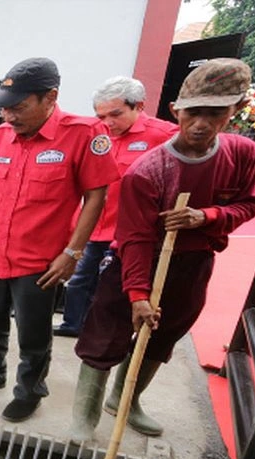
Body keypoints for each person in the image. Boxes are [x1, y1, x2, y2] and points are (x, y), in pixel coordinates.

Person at [71, 58, 255, 440]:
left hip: (193, 260)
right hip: (137, 257)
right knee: (105, 332)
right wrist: (138, 295)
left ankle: (125, 400)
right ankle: (84, 416)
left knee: (165, 334)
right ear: (177, 111)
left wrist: (206, 217)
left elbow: (248, 205)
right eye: (193, 113)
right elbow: (136, 237)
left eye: (215, 113)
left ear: (235, 111)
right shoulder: (149, 170)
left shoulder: (242, 154)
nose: (202, 124)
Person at [0, 57, 120, 421]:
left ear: (50, 97)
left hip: (40, 259)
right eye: (5, 109)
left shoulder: (83, 134)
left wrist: (73, 251)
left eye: (18, 108)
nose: (9, 117)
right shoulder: (1, 136)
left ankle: (29, 390)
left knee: (33, 334)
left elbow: (97, 195)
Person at [56, 76, 177, 337]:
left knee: (111, 286)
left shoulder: (164, 137)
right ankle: (73, 324)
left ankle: (104, 332)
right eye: (101, 116)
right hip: (92, 226)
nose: (108, 122)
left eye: (115, 114)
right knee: (79, 280)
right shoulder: (95, 134)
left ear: (139, 106)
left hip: (128, 230)